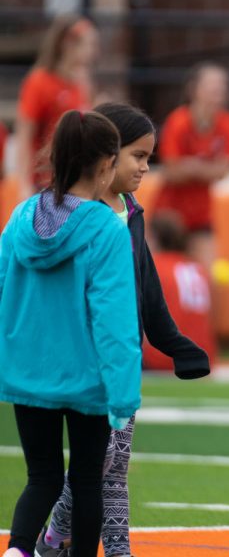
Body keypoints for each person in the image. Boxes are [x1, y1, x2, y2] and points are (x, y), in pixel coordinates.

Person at [34, 103, 210, 557]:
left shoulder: (131, 211)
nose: (145, 168)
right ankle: (54, 536)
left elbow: (146, 283)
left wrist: (173, 343)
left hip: (122, 356)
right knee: (99, 461)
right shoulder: (68, 214)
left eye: (150, 158)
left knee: (114, 467)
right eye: (138, 156)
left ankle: (114, 550)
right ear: (105, 156)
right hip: (81, 357)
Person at [0, 110, 141, 557]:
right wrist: (124, 396)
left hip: (26, 374)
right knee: (85, 481)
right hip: (87, 378)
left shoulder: (21, 217)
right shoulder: (106, 229)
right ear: (105, 165)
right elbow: (114, 320)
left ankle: (18, 550)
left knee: (41, 477)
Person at [155, 61, 229, 268]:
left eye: (223, 87)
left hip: (202, 214)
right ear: (194, 89)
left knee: (206, 273)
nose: (219, 93)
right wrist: (207, 168)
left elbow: (225, 169)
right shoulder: (178, 121)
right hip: (169, 212)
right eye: (213, 87)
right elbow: (173, 171)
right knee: (160, 272)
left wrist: (192, 166)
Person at [15, 16, 98, 199]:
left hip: (74, 180)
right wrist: (24, 183)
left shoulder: (82, 82)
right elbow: (24, 136)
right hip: (45, 181)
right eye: (88, 44)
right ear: (68, 44)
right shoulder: (39, 81)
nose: (93, 51)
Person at [143, 210, 219, 372]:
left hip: (163, 359)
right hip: (203, 356)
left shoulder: (154, 266)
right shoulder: (197, 267)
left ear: (155, 238)